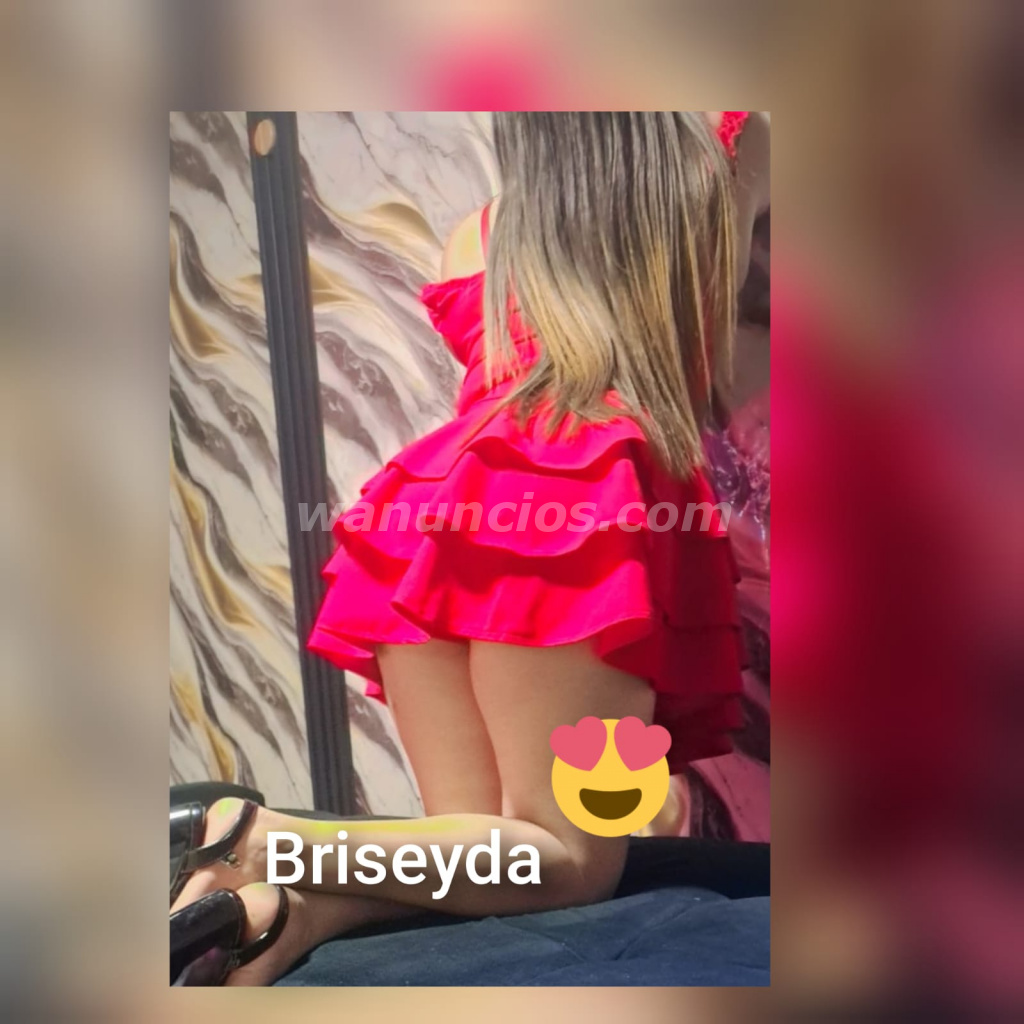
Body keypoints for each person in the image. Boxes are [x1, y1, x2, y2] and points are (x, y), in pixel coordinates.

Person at [171, 111, 767, 985]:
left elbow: (501, 388)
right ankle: (261, 839)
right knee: (573, 860)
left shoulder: (479, 234)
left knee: (483, 863)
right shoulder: (726, 148)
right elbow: (716, 355)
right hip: (571, 498)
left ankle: (287, 914)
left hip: (434, 506)